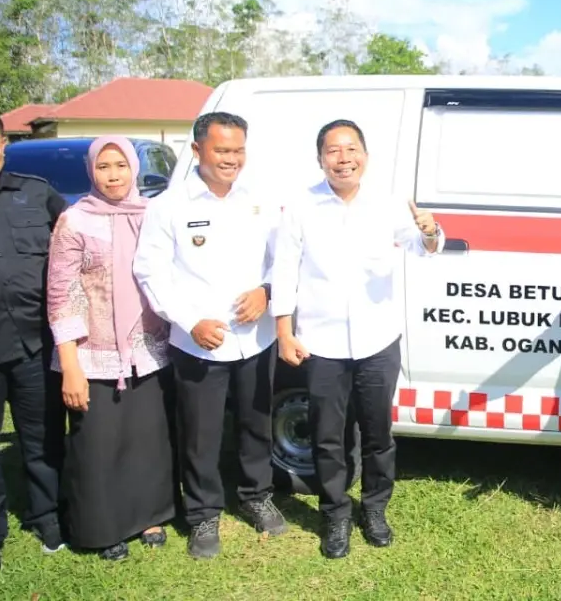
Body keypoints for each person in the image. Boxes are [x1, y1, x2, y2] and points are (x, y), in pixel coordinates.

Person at [272, 119, 445, 559]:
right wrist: (284, 331)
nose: (343, 158)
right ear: (320, 159)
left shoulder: (387, 204)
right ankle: (335, 514)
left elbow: (423, 246)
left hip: (377, 339)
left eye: (351, 149)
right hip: (322, 343)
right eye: (333, 150)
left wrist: (429, 230)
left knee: (377, 433)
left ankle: (374, 510)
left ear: (365, 156)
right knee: (327, 436)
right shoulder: (301, 206)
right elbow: (285, 269)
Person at [133, 111, 285, 560]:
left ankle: (256, 495)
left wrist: (267, 291)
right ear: (198, 150)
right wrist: (188, 320)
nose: (232, 159)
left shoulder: (261, 201)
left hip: (255, 336)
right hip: (199, 341)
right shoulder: (168, 206)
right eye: (222, 150)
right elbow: (151, 272)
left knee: (256, 423)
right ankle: (202, 513)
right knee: (201, 434)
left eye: (238, 150)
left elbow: (283, 258)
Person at [46, 136, 175, 561]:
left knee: (146, 437)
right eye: (104, 167)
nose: (114, 175)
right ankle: (102, 527)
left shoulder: (152, 214)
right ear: (91, 172)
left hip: (148, 348)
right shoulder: (75, 220)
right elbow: (61, 295)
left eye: (121, 165)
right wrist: (70, 365)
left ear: (134, 169)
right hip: (92, 353)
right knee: (97, 444)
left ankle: (149, 515)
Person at [0, 107, 67, 580]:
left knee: (43, 440)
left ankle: (48, 516)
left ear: (3, 145)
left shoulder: (37, 194)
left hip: (37, 343)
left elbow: (79, 245)